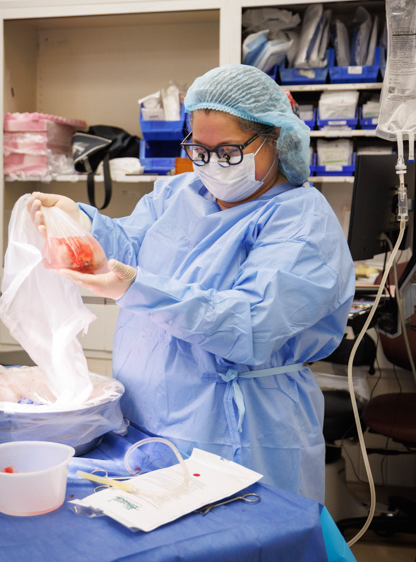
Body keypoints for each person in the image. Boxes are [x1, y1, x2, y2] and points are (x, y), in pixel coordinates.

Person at [29, 64, 354, 503]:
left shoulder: (301, 220)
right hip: (148, 415)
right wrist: (81, 223)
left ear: (275, 140)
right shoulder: (179, 193)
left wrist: (136, 287)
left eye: (228, 153)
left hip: (240, 428)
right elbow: (129, 243)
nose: (211, 166)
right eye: (198, 150)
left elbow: (247, 324)